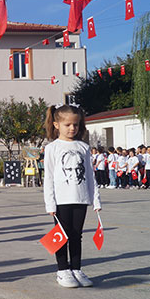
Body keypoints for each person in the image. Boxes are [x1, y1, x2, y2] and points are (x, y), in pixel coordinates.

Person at [43, 104, 101, 288]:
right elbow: (49, 177)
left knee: (77, 235)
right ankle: (62, 270)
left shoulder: (83, 147)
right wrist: (50, 204)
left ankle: (76, 269)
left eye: (75, 124)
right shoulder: (52, 148)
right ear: (56, 124)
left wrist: (95, 199)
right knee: (62, 235)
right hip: (61, 200)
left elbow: (90, 176)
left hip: (80, 198)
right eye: (67, 124)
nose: (72, 128)